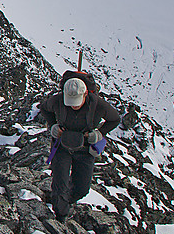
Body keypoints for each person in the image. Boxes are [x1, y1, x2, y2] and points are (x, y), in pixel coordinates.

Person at [39, 75, 121, 222]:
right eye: (70, 102)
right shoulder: (58, 100)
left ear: (85, 94)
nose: (73, 106)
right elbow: (44, 108)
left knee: (82, 188)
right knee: (59, 184)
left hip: (85, 150)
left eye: (77, 102)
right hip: (62, 147)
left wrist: (99, 133)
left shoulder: (98, 105)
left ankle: (66, 200)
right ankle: (61, 215)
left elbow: (115, 119)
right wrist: (52, 126)